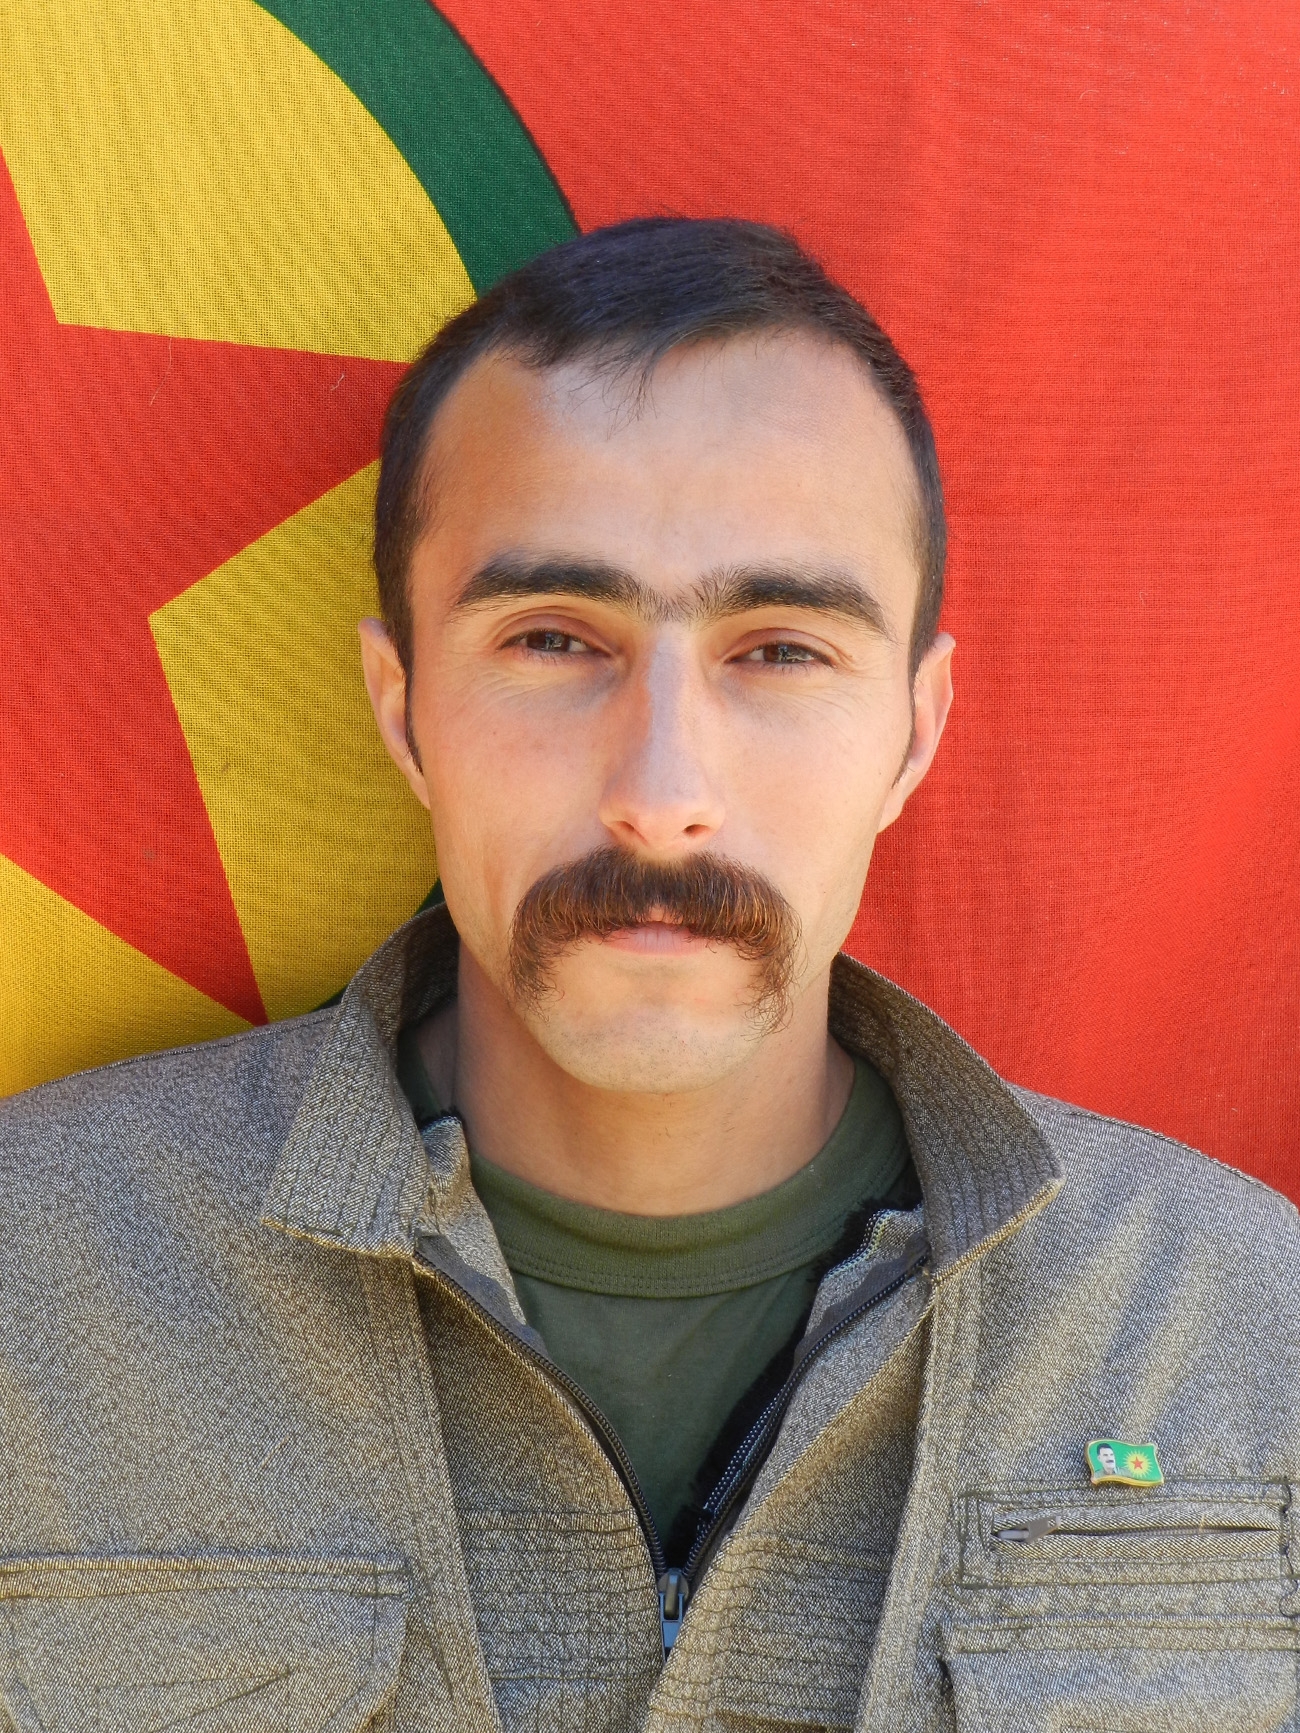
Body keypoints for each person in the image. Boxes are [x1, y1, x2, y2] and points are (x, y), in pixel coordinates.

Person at [1, 218, 1296, 1733]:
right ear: (404, 709)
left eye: (782, 650)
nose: (662, 793)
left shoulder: (1246, 1324)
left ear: (916, 728)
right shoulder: (32, 1285)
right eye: (555, 640)